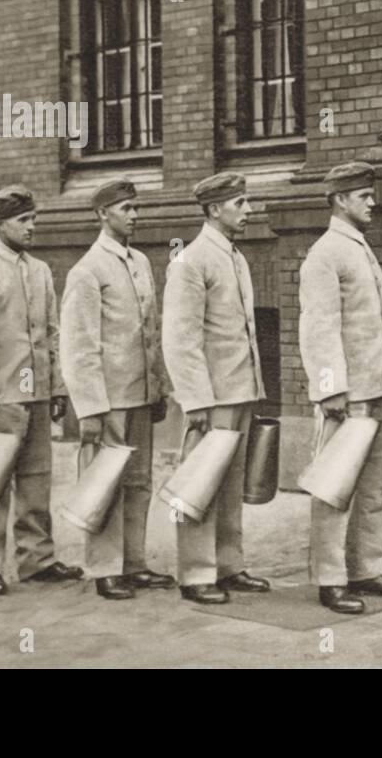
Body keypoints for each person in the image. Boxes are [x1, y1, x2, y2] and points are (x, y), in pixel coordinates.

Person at [0, 185, 82, 596]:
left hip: (38, 396)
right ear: (0, 223)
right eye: (23, 220)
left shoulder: (40, 271)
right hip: (2, 399)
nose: (32, 226)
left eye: (34, 218)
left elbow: (53, 333)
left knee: (36, 482)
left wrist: (57, 387)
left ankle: (36, 559)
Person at [298, 161, 382, 614]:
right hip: (348, 396)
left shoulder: (358, 247)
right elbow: (318, 328)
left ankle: (366, 567)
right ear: (340, 200)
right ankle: (330, 578)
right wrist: (330, 391)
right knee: (335, 487)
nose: (372, 202)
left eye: (371, 194)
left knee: (370, 486)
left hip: (375, 388)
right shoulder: (325, 253)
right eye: (363, 196)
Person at [60, 179, 174, 601]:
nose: (134, 215)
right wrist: (90, 408)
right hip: (109, 400)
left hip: (140, 394)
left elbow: (151, 331)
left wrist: (158, 386)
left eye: (136, 207)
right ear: (102, 214)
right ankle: (104, 567)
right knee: (105, 482)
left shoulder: (140, 261)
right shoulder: (87, 270)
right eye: (125, 208)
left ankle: (134, 563)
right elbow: (79, 346)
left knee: (139, 482)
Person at [162, 172, 271, 605]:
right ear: (213, 210)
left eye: (247, 202)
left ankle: (229, 565)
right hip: (211, 396)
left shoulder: (235, 257)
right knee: (199, 483)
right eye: (240, 203)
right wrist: (196, 400)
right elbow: (180, 338)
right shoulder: (191, 261)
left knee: (229, 485)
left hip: (239, 390)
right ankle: (195, 573)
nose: (248, 211)